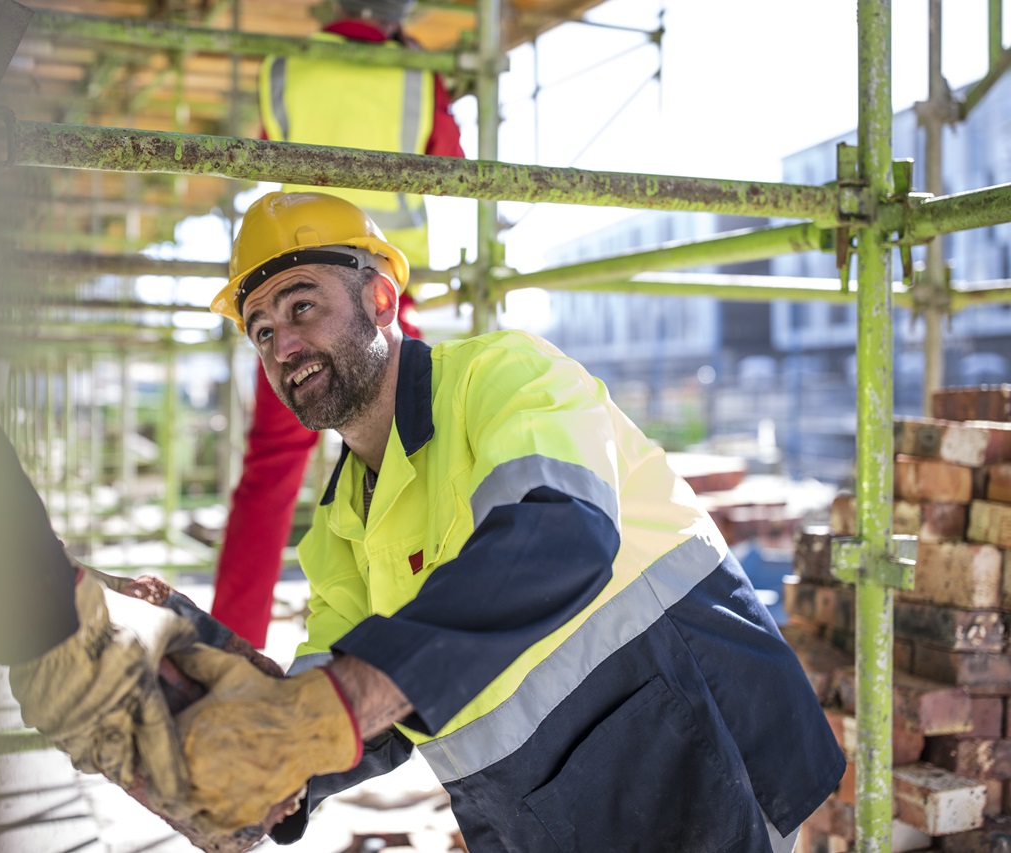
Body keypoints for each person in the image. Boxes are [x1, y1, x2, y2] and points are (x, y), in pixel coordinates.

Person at [173, 190, 847, 852]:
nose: (284, 344)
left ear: (381, 299)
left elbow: (557, 534)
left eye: (302, 306)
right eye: (262, 330)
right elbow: (341, 698)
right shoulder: (341, 523)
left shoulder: (504, 378)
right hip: (552, 810)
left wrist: (349, 696)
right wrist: (270, 774)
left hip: (699, 753)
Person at [210, 0, 464, 647]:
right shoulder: (415, 76)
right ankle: (420, 631)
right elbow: (453, 164)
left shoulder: (282, 69)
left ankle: (230, 649)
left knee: (269, 474)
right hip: (380, 301)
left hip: (296, 294)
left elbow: (268, 162)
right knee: (419, 459)